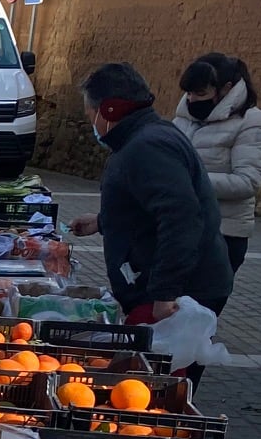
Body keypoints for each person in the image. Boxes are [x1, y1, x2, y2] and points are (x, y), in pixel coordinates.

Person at [68, 61, 233, 325]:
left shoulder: (147, 147)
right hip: (170, 286)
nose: (92, 123)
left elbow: (181, 218)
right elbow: (148, 207)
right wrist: (103, 221)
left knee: (159, 365)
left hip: (181, 295)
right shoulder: (144, 137)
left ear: (108, 110)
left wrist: (165, 293)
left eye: (91, 114)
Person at [172, 53, 261, 280]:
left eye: (201, 93)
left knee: (199, 309)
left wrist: (188, 180)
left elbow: (248, 182)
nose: (192, 100)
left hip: (223, 234)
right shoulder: (183, 119)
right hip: (180, 228)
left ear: (226, 89)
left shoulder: (253, 122)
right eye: (188, 93)